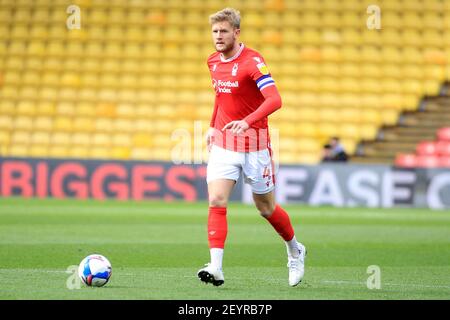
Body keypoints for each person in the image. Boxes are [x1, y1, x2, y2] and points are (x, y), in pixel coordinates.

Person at [197, 8, 306, 287]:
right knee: (217, 200)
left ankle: (295, 249)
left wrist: (247, 121)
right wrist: (212, 125)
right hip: (223, 142)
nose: (218, 37)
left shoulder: (253, 62)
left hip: (255, 145)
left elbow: (274, 100)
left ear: (236, 32)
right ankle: (216, 267)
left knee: (266, 208)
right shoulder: (212, 61)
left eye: (223, 31)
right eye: (214, 31)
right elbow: (220, 97)